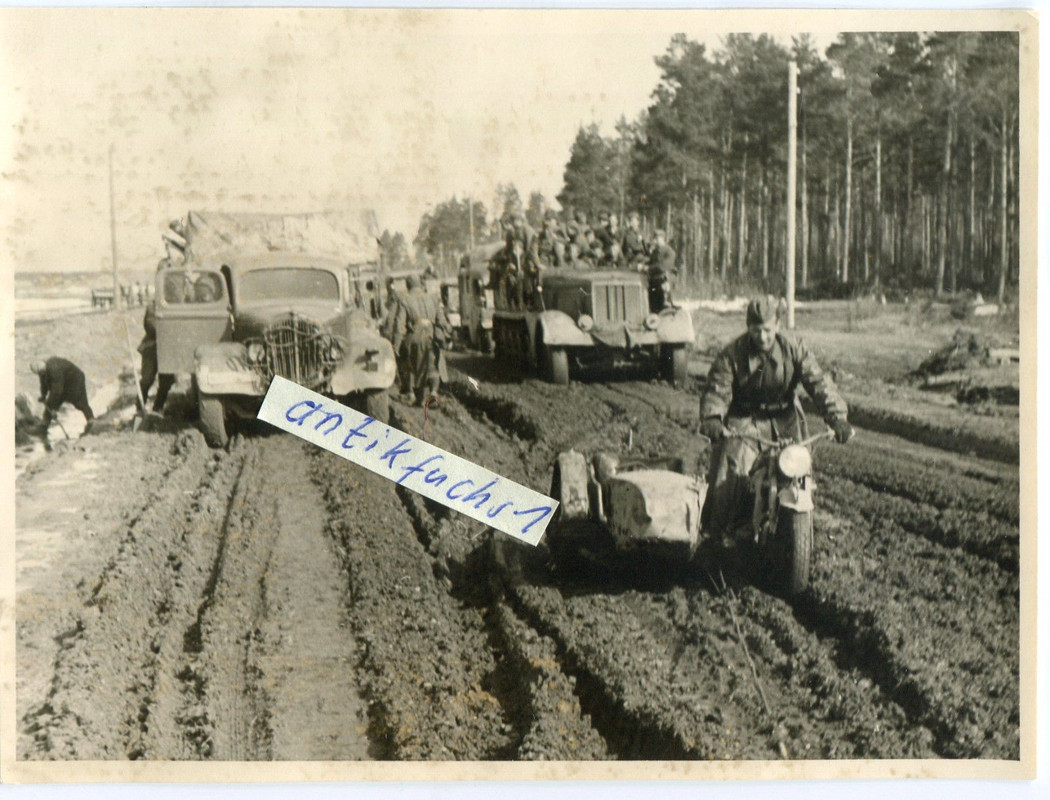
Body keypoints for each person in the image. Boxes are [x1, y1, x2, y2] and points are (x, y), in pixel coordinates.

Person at [699, 296, 854, 542]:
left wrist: (837, 417)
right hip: (745, 419)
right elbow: (718, 389)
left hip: (785, 418)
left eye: (768, 330)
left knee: (798, 471)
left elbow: (818, 382)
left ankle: (798, 532)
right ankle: (718, 538)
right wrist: (713, 419)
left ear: (778, 326)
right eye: (756, 330)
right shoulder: (732, 354)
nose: (762, 337)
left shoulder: (794, 348)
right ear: (748, 327)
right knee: (730, 474)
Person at [391, 275, 452, 405]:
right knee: (433, 364)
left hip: (414, 337)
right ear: (421, 284)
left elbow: (399, 326)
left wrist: (396, 345)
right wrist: (447, 333)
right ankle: (434, 393)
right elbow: (442, 321)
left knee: (408, 362)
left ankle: (412, 393)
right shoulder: (433, 298)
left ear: (408, 286)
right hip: (431, 335)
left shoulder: (404, 300)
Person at [31, 357, 95, 430]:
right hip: (64, 381)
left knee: (80, 402)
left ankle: (91, 421)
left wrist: (53, 409)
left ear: (44, 368)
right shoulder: (43, 369)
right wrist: (43, 395)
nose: (41, 374)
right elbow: (44, 383)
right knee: (49, 403)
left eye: (42, 373)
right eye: (40, 373)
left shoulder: (54, 369)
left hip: (75, 380)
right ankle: (44, 426)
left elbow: (57, 392)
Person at [137, 300, 175, 413]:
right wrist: (171, 331)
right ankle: (140, 407)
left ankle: (158, 407)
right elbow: (151, 325)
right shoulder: (153, 306)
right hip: (151, 349)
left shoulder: (177, 304)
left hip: (168, 350)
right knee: (147, 380)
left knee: (167, 381)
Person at [647, 229, 675, 310]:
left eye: (657, 238)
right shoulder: (654, 252)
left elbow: (662, 267)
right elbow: (650, 262)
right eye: (654, 238)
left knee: (664, 306)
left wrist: (648, 268)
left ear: (663, 238)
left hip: (664, 280)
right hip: (653, 281)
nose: (655, 240)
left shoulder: (669, 252)